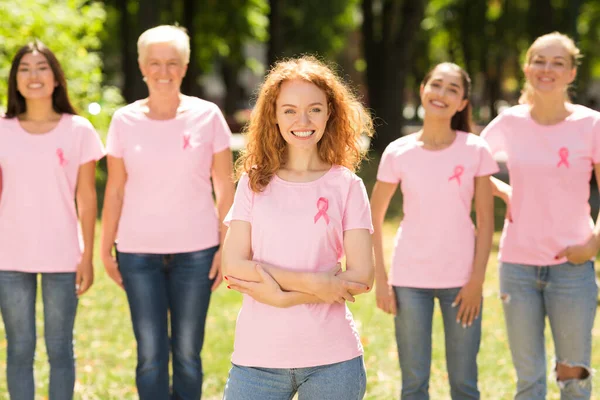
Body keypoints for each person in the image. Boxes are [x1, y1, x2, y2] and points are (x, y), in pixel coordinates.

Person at [221, 56, 374, 400]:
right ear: (273, 116)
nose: (302, 120)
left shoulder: (347, 186)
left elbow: (363, 276)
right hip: (256, 359)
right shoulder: (253, 182)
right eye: (289, 110)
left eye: (314, 109)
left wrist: (281, 295)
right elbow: (232, 266)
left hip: (333, 361)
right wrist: (316, 285)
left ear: (330, 113)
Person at [100, 25, 235, 400]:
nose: (163, 71)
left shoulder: (208, 116)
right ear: (142, 66)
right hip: (137, 255)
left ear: (186, 65)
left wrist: (228, 246)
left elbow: (225, 187)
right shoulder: (123, 120)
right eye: (155, 63)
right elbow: (114, 190)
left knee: (189, 354)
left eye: (172, 62)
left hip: (198, 253)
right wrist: (104, 249)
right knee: (150, 356)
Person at [481, 32, 599, 400]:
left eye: (557, 62)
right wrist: (503, 190)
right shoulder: (508, 123)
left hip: (573, 266)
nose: (547, 69)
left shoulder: (592, 125)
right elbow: (471, 166)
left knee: (574, 376)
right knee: (529, 381)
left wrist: (593, 243)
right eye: (540, 61)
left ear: (571, 73)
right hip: (517, 267)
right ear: (528, 69)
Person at [371, 62, 497, 399]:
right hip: (409, 281)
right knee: (413, 384)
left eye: (452, 89)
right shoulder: (397, 151)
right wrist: (382, 280)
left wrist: (476, 281)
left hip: (462, 283)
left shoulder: (475, 150)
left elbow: (486, 221)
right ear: (423, 89)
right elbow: (374, 216)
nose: (442, 93)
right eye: (436, 84)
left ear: (462, 104)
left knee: (464, 383)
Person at [0, 40, 105, 400]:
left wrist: (87, 255)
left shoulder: (78, 130)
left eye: (41, 67)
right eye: (25, 69)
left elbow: (87, 197)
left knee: (60, 349)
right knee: (19, 348)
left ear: (56, 78)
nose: (33, 75)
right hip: (9, 256)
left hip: (63, 255)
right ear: (15, 80)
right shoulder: (1, 128)